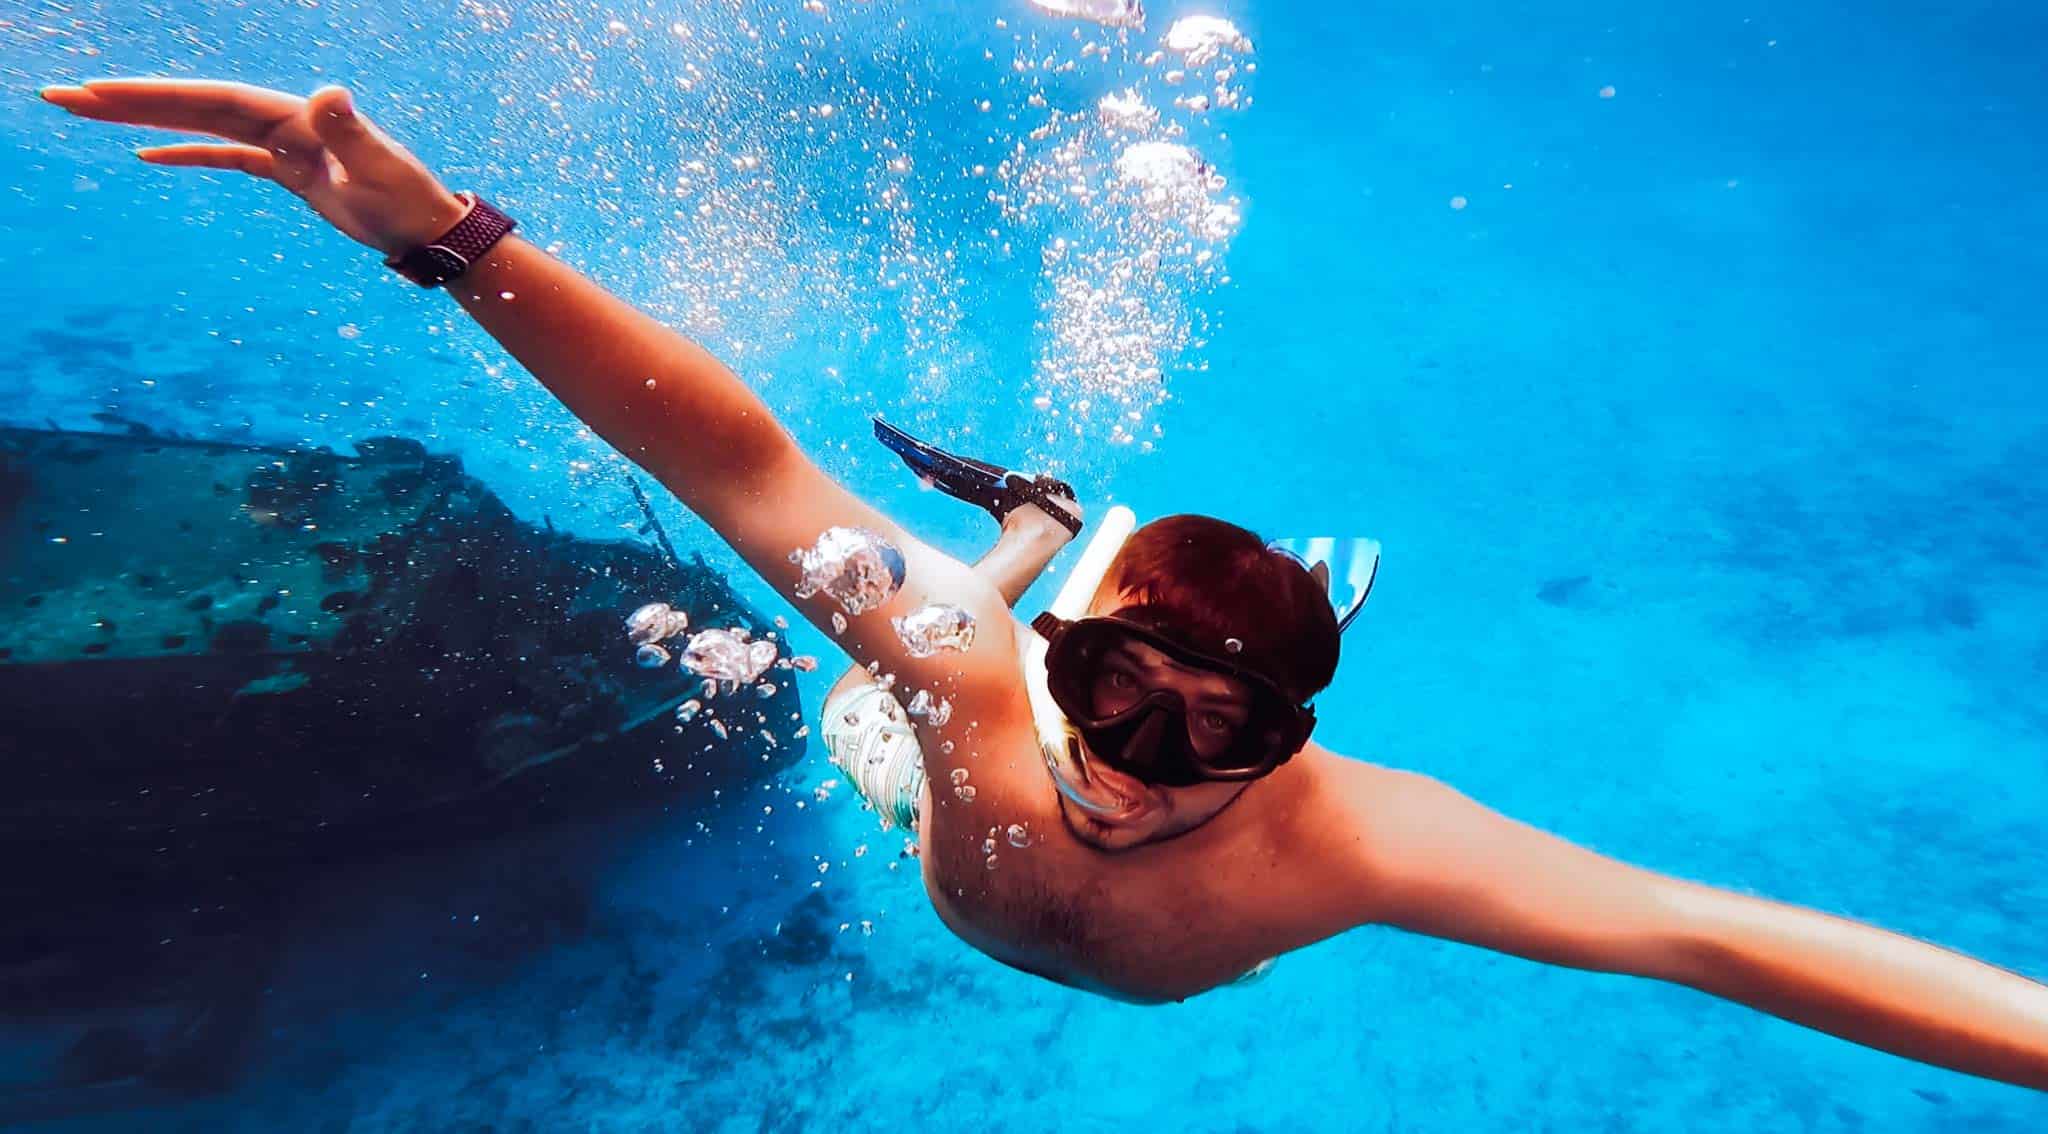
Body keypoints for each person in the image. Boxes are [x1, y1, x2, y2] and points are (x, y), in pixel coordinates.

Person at [38, 78, 2048, 1091]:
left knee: (938, 627)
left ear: (1290, 744)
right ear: (1067, 671)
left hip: (1030, 767)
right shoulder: (968, 673)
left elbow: (1711, 940)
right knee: (865, 672)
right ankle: (1038, 521)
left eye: (1222, 737)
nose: (1154, 774)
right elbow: (719, 450)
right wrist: (442, 235)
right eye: (1125, 705)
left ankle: (1068, 521)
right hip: (921, 764)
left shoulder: (1356, 841)